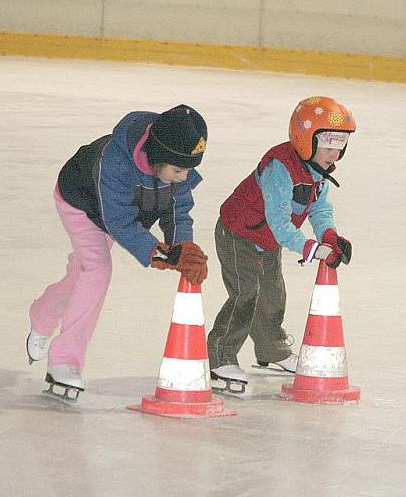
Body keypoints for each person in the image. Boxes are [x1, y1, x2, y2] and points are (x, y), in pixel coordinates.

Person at [26, 104, 210, 402]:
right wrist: (159, 254)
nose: (183, 177)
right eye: (178, 170)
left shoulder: (176, 167)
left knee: (82, 274)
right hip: (81, 204)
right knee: (97, 269)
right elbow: (120, 222)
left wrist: (181, 246)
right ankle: (65, 360)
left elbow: (179, 208)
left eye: (189, 169)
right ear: (156, 156)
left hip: (114, 214)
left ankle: (42, 314)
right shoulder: (115, 162)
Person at [207, 96, 355, 394]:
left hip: (267, 241)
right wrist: (312, 249)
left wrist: (329, 236)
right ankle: (220, 356)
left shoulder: (318, 172)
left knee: (273, 296)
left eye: (340, 145)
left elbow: (319, 209)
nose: (334, 154)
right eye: (328, 145)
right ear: (304, 140)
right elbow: (280, 222)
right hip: (238, 235)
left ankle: (271, 350)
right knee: (246, 293)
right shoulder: (280, 168)